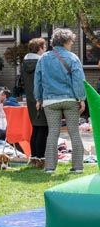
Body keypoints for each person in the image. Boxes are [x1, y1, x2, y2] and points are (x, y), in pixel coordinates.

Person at [34, 28, 86, 174]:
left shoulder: (43, 58)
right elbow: (78, 81)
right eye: (71, 41)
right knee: (74, 132)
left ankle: (50, 167)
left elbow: (37, 81)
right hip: (70, 100)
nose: (72, 44)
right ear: (66, 41)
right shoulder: (73, 58)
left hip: (50, 101)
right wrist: (81, 98)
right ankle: (78, 167)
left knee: (53, 133)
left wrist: (38, 98)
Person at [21, 38, 48, 169]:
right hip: (41, 98)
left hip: (30, 99)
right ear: (39, 49)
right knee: (43, 128)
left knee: (36, 129)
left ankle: (34, 157)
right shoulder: (42, 62)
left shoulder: (24, 63)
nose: (46, 50)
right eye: (44, 47)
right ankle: (41, 159)